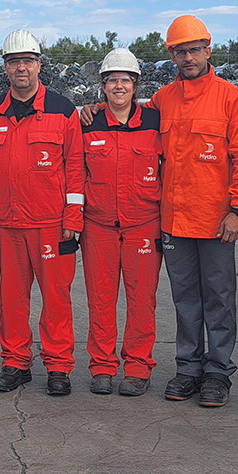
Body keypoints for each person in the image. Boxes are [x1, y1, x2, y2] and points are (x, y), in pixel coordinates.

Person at [150, 15, 238, 409]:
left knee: (220, 297)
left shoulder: (231, 99)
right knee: (185, 298)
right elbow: (130, 123)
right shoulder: (162, 100)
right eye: (181, 51)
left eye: (194, 49)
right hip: (174, 220)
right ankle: (189, 367)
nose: (188, 57)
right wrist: (93, 110)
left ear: (208, 50)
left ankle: (218, 371)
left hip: (216, 221)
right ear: (172, 56)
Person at [0, 30, 85, 397]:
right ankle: (15, 363)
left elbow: (76, 167)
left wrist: (73, 218)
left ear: (39, 65)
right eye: (13, 62)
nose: (20, 67)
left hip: (52, 226)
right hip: (8, 226)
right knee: (11, 299)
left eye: (27, 61)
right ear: (5, 69)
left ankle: (58, 366)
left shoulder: (62, 109)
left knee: (56, 298)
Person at [80, 48, 162, 396]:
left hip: (144, 223)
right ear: (102, 86)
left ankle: (139, 367)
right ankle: (102, 366)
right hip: (98, 225)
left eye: (125, 80)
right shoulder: (86, 122)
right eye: (112, 80)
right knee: (100, 299)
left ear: (136, 84)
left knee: (142, 299)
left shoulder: (155, 122)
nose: (118, 86)